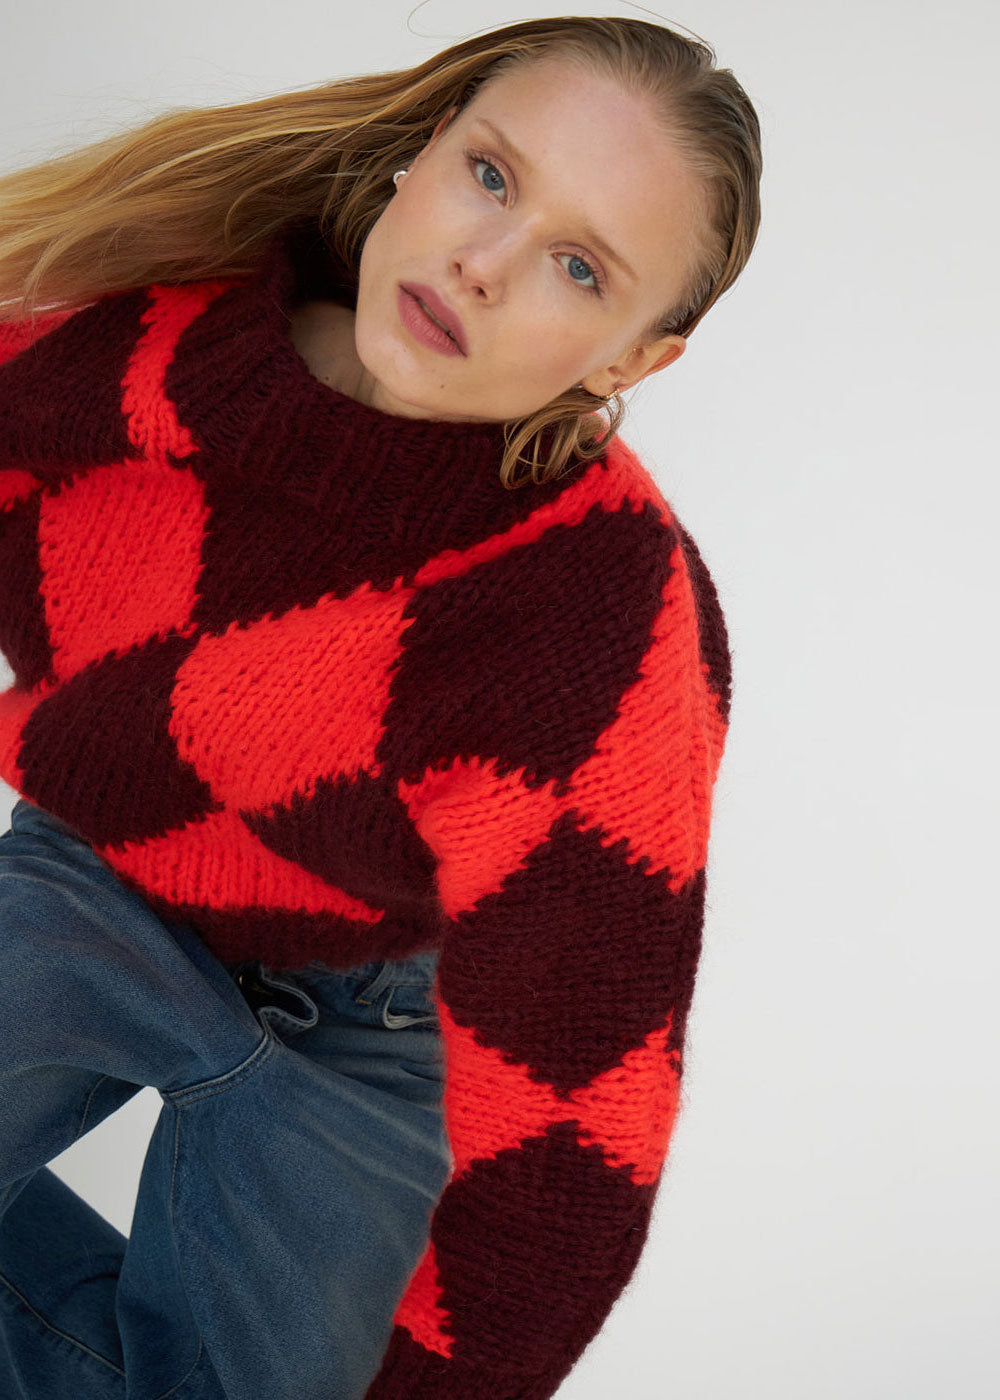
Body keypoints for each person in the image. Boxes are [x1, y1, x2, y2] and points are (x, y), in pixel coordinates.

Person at [0, 14, 762, 1400]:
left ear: (630, 360)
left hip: (374, 1025)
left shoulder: (598, 624)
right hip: (95, 881)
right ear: (422, 153)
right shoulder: (128, 352)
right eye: (492, 175)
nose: (485, 263)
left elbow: (579, 1127)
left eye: (579, 266)